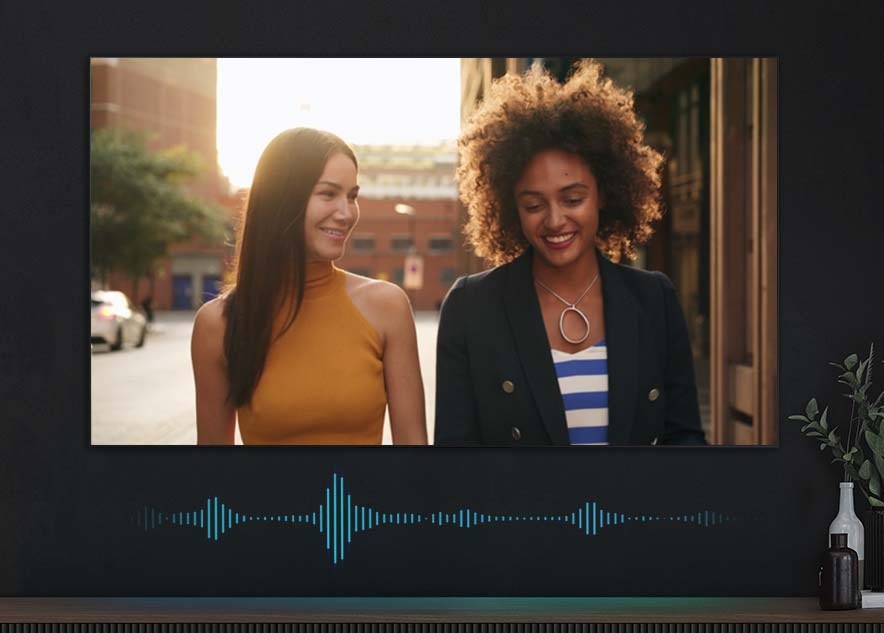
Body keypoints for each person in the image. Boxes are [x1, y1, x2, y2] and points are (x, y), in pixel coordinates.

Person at [435, 60, 706, 447]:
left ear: (605, 193)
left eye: (573, 198)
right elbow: (455, 459)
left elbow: (687, 443)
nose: (555, 220)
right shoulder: (471, 306)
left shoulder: (653, 299)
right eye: (533, 205)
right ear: (510, 207)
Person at [191, 128, 427, 445]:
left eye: (352, 196)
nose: (346, 213)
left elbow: (414, 452)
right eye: (328, 194)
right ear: (282, 200)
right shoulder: (217, 324)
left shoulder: (387, 307)